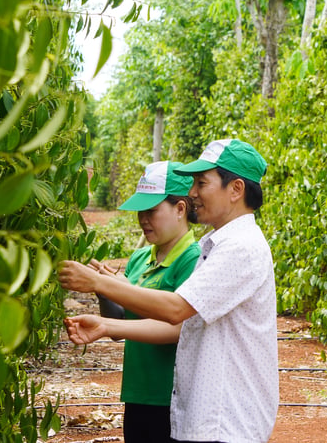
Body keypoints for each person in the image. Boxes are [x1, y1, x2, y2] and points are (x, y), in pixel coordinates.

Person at [59, 139, 278, 443]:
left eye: (202, 183)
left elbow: (177, 310)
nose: (192, 194)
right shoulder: (215, 246)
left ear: (236, 190)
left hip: (225, 423)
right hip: (206, 418)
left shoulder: (241, 248)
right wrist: (110, 316)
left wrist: (98, 283)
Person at [82, 160, 201, 443]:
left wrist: (111, 302)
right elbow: (123, 320)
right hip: (137, 394)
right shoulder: (139, 259)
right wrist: (106, 292)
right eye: (140, 211)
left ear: (180, 209)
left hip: (173, 397)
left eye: (152, 210)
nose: (143, 219)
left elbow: (178, 327)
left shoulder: (193, 260)